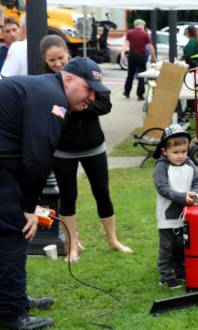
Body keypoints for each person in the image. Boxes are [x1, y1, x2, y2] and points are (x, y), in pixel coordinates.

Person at [0, 57, 106, 330]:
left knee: (9, 234)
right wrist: (29, 206)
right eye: (88, 89)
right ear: (68, 79)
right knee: (15, 233)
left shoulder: (48, 90)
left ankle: (15, 299)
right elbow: (37, 157)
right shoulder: (54, 99)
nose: (92, 97)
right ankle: (12, 314)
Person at [44, 53, 132, 263]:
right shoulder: (51, 87)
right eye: (52, 60)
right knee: (68, 197)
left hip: (94, 146)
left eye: (60, 59)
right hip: (63, 150)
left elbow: (105, 105)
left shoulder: (90, 82)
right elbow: (52, 113)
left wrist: (79, 105)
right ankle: (72, 245)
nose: (57, 64)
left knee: (102, 192)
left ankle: (112, 240)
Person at [152, 124, 198, 288]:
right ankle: (166, 275)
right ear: (164, 151)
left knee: (183, 243)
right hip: (168, 217)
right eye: (175, 152)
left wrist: (195, 193)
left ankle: (181, 269)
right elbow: (163, 188)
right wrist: (183, 197)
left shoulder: (189, 164)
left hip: (187, 215)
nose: (180, 156)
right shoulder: (162, 166)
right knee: (168, 246)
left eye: (183, 151)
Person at [123, 18, 156, 101]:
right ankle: (140, 95)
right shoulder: (145, 34)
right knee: (141, 75)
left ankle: (127, 92)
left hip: (132, 55)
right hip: (141, 56)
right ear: (141, 25)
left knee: (130, 74)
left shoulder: (130, 33)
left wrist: (122, 54)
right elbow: (150, 47)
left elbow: (126, 44)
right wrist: (153, 58)